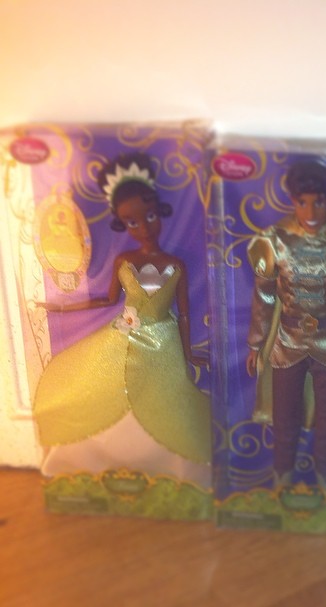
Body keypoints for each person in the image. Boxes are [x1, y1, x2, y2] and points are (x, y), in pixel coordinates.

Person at [35, 153, 211, 487]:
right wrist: (62, 308)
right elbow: (108, 299)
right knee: (106, 391)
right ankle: (110, 460)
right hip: (124, 337)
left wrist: (189, 354)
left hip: (164, 342)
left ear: (160, 213)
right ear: (122, 224)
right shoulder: (124, 260)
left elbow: (185, 313)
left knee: (166, 399)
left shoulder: (176, 265)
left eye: (150, 217)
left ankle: (166, 465)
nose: (144, 228)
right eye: (132, 222)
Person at [245, 159, 326, 491]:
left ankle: (325, 479)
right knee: (284, 417)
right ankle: (282, 478)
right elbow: (264, 295)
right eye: (302, 202)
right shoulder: (276, 239)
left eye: (318, 201)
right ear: (292, 200)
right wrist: (256, 343)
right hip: (287, 342)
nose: (311, 211)